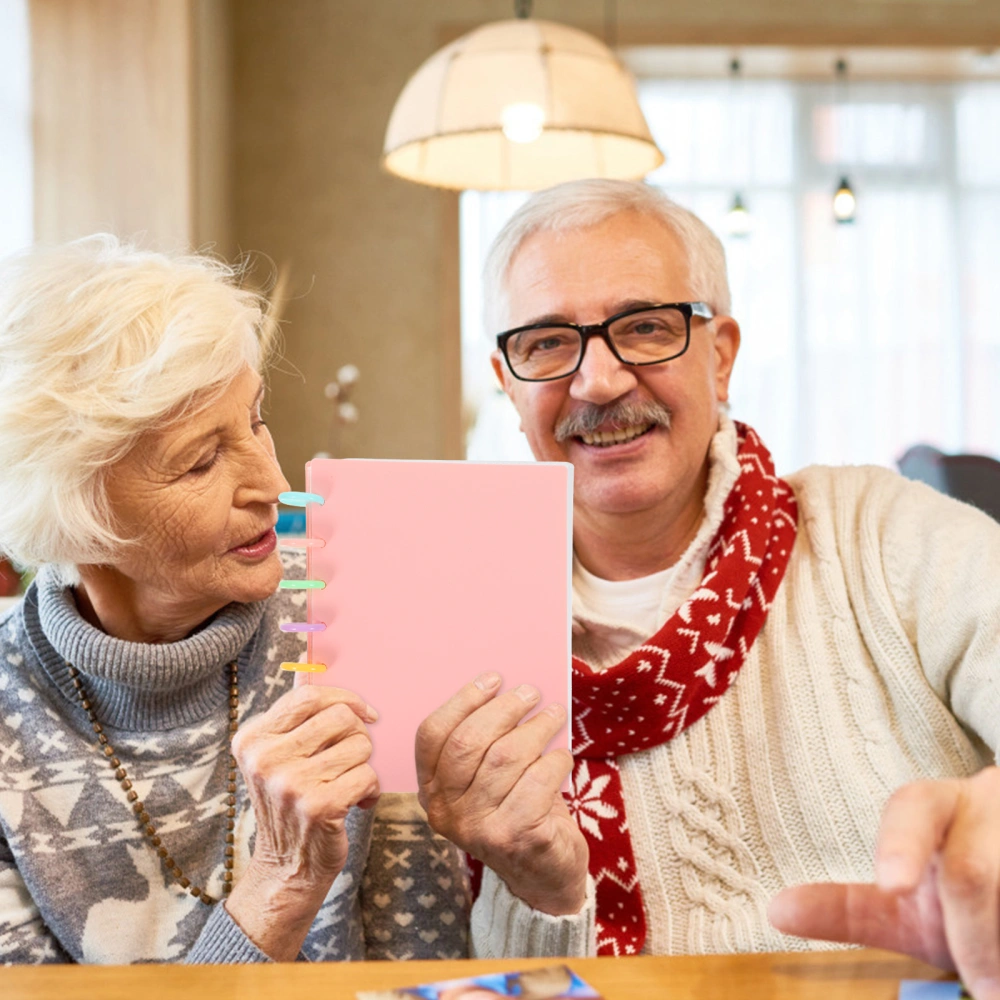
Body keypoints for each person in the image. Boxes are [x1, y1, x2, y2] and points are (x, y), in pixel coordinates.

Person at [416, 180, 1000, 997]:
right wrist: (545, 890)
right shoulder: (453, 622)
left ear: (719, 354)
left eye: (645, 327)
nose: (598, 382)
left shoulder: (882, 538)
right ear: (509, 385)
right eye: (548, 343)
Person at [0, 236, 572, 964]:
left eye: (257, 420)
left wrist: (541, 872)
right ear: (78, 518)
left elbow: (437, 974)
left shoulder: (356, 611)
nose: (272, 484)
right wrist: (280, 884)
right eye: (201, 460)